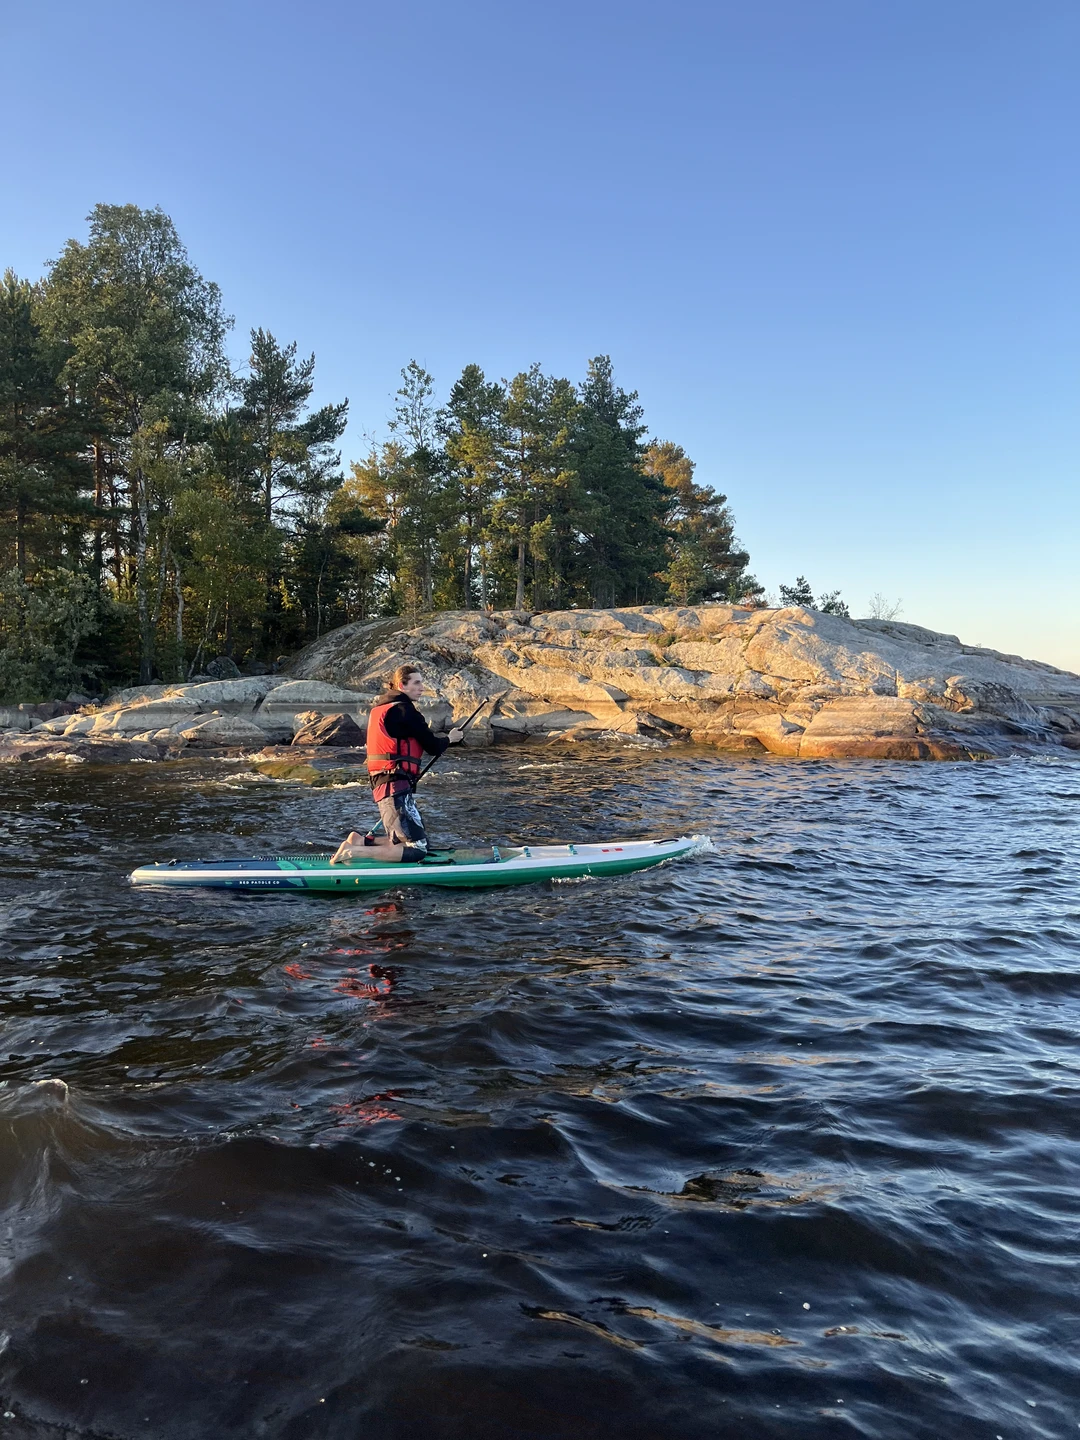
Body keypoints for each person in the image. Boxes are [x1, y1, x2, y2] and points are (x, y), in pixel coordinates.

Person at [330, 665, 463, 864]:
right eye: (416, 683)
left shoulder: (381, 708)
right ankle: (353, 851)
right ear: (402, 685)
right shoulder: (405, 710)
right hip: (394, 783)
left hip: (386, 781)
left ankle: (359, 842)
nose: (422, 687)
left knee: (413, 840)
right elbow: (433, 746)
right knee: (417, 848)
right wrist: (450, 739)